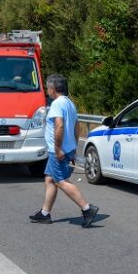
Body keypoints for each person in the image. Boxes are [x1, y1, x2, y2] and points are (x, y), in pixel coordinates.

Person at [29, 74, 99, 227]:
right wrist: (73, 148)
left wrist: (58, 149)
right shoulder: (69, 103)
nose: (47, 91)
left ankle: (87, 209)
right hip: (66, 149)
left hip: (58, 151)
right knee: (50, 179)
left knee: (61, 181)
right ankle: (44, 214)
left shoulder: (57, 104)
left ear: (53, 88)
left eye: (48, 88)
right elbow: (77, 127)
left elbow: (59, 126)